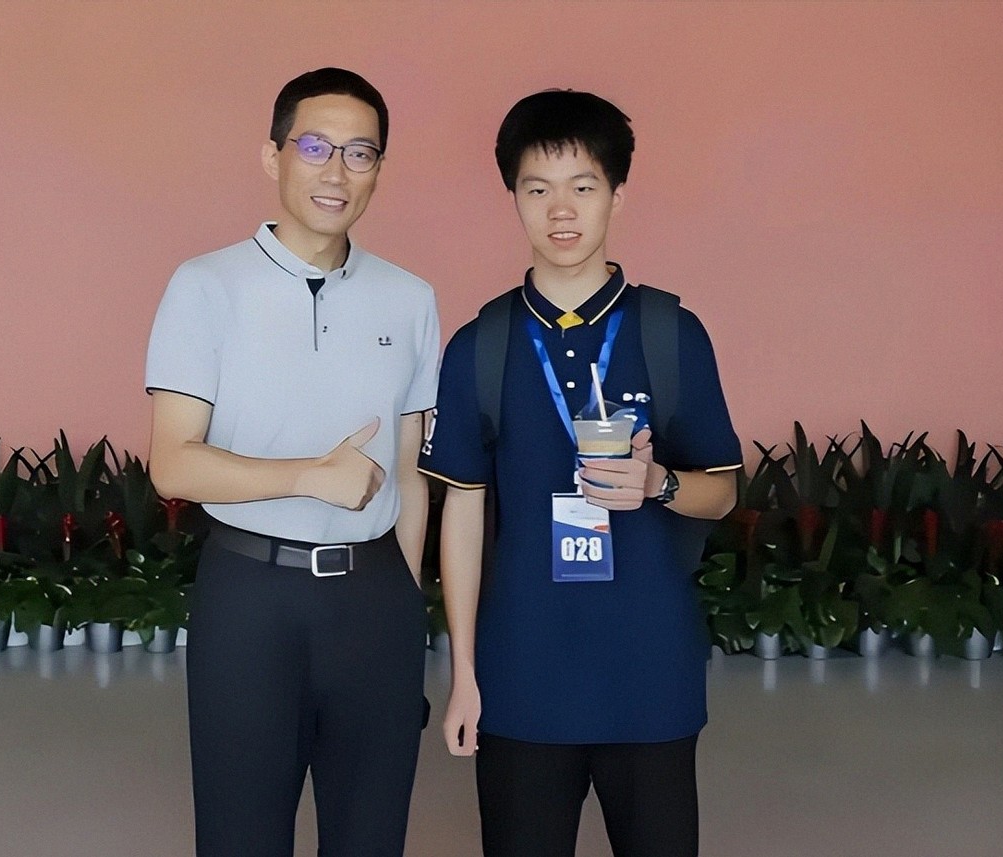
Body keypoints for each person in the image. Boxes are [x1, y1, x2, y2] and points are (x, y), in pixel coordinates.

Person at [418, 89, 742, 857]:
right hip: (521, 675)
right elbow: (461, 514)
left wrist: (659, 484)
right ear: (514, 198)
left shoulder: (671, 333)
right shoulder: (480, 345)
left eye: (583, 187)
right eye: (538, 189)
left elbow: (723, 490)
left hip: (651, 674)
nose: (560, 210)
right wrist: (464, 673)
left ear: (617, 196)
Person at [144, 67, 440, 857]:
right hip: (251, 598)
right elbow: (172, 464)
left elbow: (409, 472)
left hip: (376, 600)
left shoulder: (410, 299)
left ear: (379, 169)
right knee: (241, 833)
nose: (336, 171)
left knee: (371, 834)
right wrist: (309, 475)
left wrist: (405, 599)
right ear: (272, 156)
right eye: (315, 147)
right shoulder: (206, 286)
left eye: (359, 152)